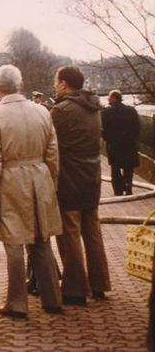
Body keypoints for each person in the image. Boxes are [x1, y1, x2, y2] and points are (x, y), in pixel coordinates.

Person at [0, 64, 63, 318]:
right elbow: (53, 152)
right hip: (40, 177)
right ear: (21, 84)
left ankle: (17, 303)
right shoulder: (42, 112)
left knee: (14, 241)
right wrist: (51, 183)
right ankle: (53, 298)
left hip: (10, 181)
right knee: (41, 238)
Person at [51, 66, 111, 304]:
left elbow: (48, 142)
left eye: (56, 82)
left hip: (69, 178)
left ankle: (75, 288)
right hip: (92, 177)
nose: (55, 86)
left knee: (70, 233)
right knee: (93, 231)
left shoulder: (61, 111)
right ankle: (100, 284)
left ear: (64, 83)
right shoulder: (94, 107)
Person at [102, 89, 141, 196]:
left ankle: (118, 190)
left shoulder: (106, 112)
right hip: (129, 144)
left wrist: (108, 140)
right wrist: (132, 139)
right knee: (128, 168)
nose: (108, 99)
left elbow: (103, 129)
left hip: (114, 145)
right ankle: (128, 186)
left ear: (114, 98)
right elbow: (137, 127)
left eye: (109, 97)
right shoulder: (131, 110)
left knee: (115, 168)